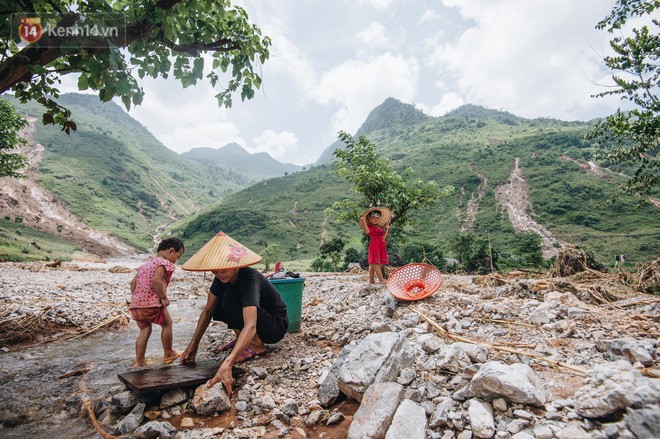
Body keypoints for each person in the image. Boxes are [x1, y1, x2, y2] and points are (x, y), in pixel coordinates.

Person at [180, 232, 288, 396]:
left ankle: (257, 346)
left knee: (230, 297)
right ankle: (242, 340)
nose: (219, 273)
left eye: (223, 269)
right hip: (259, 321)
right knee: (219, 301)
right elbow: (208, 310)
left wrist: (227, 364)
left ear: (235, 264)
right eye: (215, 270)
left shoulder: (249, 278)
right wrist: (193, 343)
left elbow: (250, 324)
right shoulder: (221, 278)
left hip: (275, 325)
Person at [129, 237, 185, 367]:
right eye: (178, 256)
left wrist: (137, 298)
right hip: (152, 304)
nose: (176, 260)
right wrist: (164, 297)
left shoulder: (145, 265)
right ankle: (169, 353)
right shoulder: (163, 263)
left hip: (137, 306)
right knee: (167, 323)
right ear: (170, 251)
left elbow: (133, 283)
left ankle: (139, 362)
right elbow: (156, 280)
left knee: (144, 331)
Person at [359, 207, 392, 285]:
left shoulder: (380, 228)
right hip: (375, 245)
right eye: (373, 217)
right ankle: (381, 279)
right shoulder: (370, 227)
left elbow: (383, 237)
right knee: (375, 263)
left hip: (381, 245)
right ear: (369, 219)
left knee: (374, 264)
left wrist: (387, 229)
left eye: (377, 217)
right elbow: (367, 231)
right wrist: (363, 223)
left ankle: (371, 280)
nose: (375, 219)